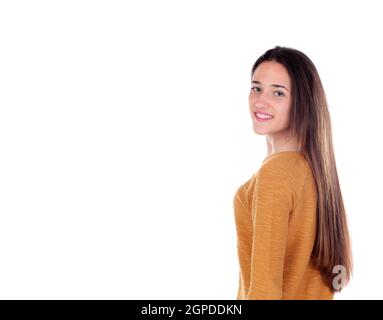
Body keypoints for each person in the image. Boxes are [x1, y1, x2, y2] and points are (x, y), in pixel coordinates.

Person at [233, 46, 353, 300]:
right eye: (256, 88)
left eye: (278, 92)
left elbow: (264, 291)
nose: (260, 101)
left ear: (302, 102)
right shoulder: (317, 171)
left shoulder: (276, 174)